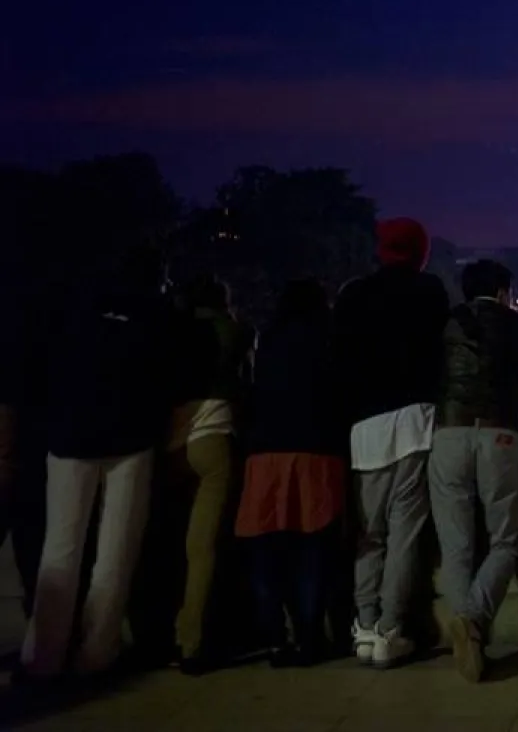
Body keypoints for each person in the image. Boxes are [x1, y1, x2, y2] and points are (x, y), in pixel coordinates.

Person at [22, 246, 195, 679]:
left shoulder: (76, 312)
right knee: (116, 550)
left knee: (60, 546)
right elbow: (172, 377)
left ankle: (43, 654)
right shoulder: (157, 316)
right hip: (132, 438)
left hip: (70, 435)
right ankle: (98, 651)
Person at [335, 217, 451, 668]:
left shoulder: (353, 295)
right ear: (420, 251)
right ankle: (391, 626)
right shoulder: (431, 293)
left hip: (366, 424)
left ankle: (363, 624)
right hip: (415, 420)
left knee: (369, 531)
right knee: (405, 532)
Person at [235, 279, 348, 668]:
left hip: (264, 454)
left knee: (267, 551)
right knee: (311, 551)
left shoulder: (267, 341)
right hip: (315, 452)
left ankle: (273, 640)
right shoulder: (328, 339)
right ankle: (310, 638)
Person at [431, 259, 518, 683]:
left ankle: (464, 630)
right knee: (505, 539)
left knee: (455, 545)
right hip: (499, 433)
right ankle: (473, 619)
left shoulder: (446, 324)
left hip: (449, 431)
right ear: (504, 291)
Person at [164, 275, 252, 674]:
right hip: (213, 437)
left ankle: (158, 632)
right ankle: (192, 641)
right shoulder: (235, 332)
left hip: (169, 440)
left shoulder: (174, 332)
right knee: (202, 549)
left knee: (165, 544)